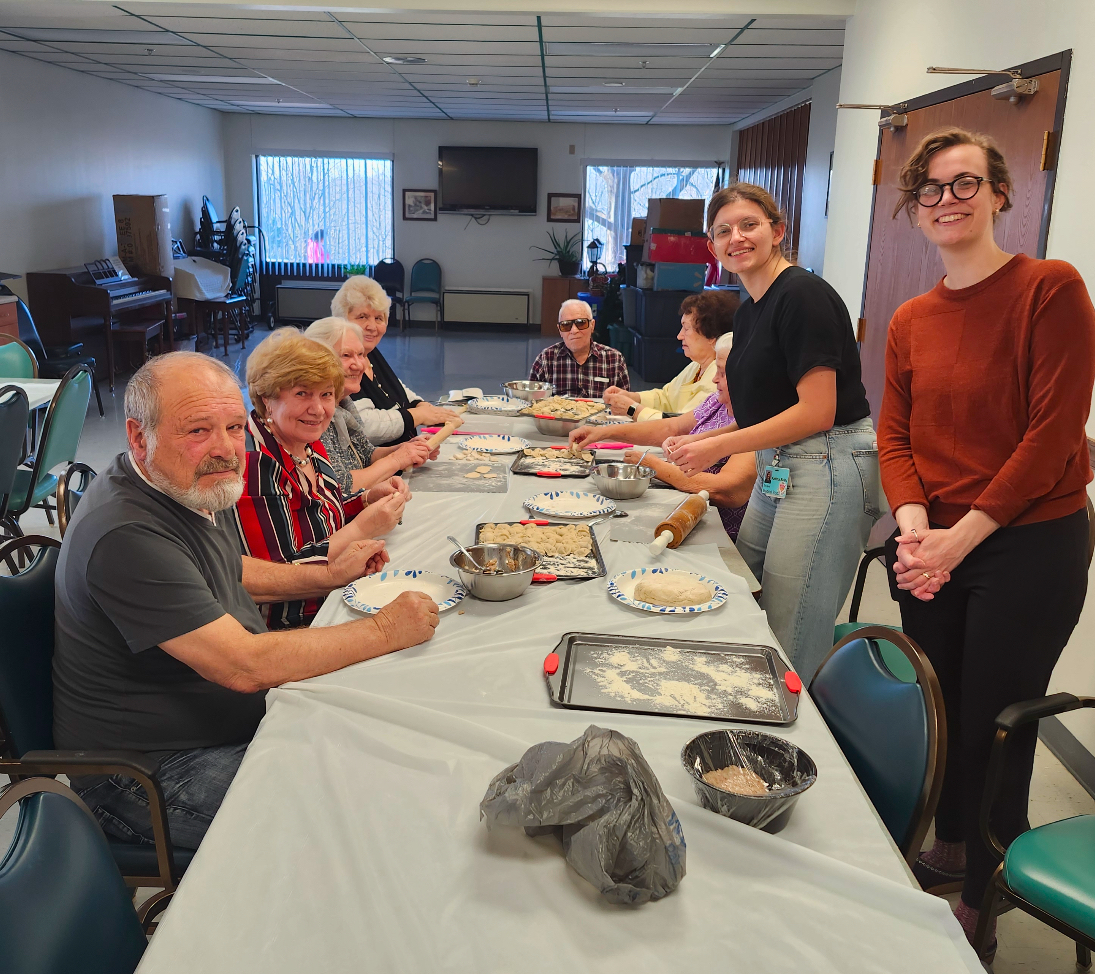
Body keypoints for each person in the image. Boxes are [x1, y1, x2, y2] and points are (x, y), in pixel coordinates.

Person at [53, 352, 438, 851]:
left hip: (217, 722)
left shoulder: (175, 484)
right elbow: (244, 667)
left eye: (234, 427)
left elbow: (227, 568)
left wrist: (327, 577)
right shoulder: (126, 533)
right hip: (148, 773)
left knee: (390, 736)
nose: (225, 449)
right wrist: (386, 630)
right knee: (365, 817)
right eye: (196, 431)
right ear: (137, 435)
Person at [876, 127, 1095, 951]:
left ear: (1001, 193)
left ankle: (983, 889)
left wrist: (954, 540)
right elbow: (893, 437)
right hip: (929, 539)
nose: (946, 200)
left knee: (996, 721)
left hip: (1024, 544)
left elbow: (1050, 438)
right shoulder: (910, 318)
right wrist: (913, 530)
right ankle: (957, 837)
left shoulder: (1049, 289)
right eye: (929, 189)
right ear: (914, 209)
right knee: (938, 707)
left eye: (963, 182)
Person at [667, 183, 880, 681]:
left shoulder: (802, 295)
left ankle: (787, 745)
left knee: (789, 627)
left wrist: (719, 443)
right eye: (723, 232)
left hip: (827, 465)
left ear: (777, 231)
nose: (736, 238)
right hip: (779, 465)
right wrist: (702, 438)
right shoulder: (751, 308)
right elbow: (771, 409)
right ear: (713, 247)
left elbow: (818, 412)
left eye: (749, 225)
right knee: (743, 592)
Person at [235, 329, 408, 629]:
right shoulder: (255, 463)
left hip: (334, 596)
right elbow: (277, 575)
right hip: (297, 624)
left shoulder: (306, 440)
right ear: (267, 397)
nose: (318, 409)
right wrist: (364, 527)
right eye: (302, 393)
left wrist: (365, 500)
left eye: (326, 394)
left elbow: (321, 513)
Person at [569, 334, 754, 540]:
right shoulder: (717, 400)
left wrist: (654, 466)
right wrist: (603, 433)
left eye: (722, 372)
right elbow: (672, 428)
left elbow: (727, 490)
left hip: (712, 532)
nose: (714, 378)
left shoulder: (756, 421)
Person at [305, 316, 440, 496]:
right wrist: (397, 458)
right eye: (346, 355)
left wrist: (406, 448)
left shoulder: (344, 404)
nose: (359, 365)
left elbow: (366, 454)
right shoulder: (314, 416)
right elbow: (341, 486)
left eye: (361, 355)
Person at [330, 275, 461, 445]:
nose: (372, 326)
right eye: (362, 317)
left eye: (379, 318)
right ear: (342, 319)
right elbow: (364, 426)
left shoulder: (370, 352)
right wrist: (417, 415)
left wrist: (420, 404)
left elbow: (396, 387)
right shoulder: (337, 361)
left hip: (403, 453)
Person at [602, 289, 738, 421]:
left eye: (686, 328)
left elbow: (680, 425)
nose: (679, 336)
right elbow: (666, 397)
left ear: (711, 336)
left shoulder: (717, 379)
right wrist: (632, 397)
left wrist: (631, 409)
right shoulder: (697, 366)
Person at [529, 298, 629, 398]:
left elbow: (628, 406)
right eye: (566, 325)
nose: (574, 330)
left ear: (592, 325)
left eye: (581, 323)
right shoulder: (546, 359)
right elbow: (530, 402)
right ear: (560, 330)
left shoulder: (614, 360)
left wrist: (640, 413)